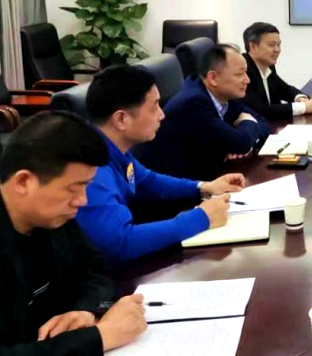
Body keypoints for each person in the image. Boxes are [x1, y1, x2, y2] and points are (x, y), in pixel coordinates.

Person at [1, 111, 147, 355]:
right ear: (24, 182)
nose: (82, 200)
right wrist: (99, 337)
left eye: (86, 186)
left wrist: (86, 310)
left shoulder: (53, 217)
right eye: (73, 189)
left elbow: (96, 268)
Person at [76, 66, 247, 266]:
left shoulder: (112, 147)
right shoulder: (91, 171)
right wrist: (201, 217)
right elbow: (121, 242)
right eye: (154, 107)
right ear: (121, 119)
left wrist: (203, 187)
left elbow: (148, 181)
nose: (162, 115)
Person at [142, 44, 270, 180]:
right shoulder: (193, 103)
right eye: (239, 74)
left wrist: (245, 140)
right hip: (179, 185)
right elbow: (241, 142)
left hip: (211, 173)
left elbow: (262, 122)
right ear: (213, 78)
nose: (247, 80)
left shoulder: (221, 92)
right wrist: (247, 124)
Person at [241, 22, 312, 121]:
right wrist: (302, 107)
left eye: (278, 45)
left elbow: (284, 89)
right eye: (272, 45)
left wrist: (300, 98)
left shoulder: (268, 66)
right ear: (253, 47)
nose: (277, 50)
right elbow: (258, 110)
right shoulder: (243, 70)